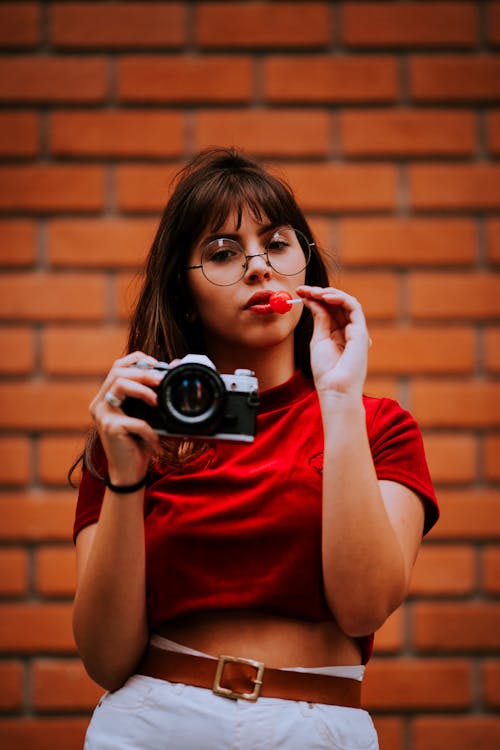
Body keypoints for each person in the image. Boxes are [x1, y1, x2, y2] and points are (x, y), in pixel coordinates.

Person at [71, 147, 439, 750]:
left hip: (316, 727)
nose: (259, 268)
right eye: (222, 253)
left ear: (306, 268)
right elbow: (105, 660)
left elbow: (364, 607)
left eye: (277, 244)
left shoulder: (378, 426)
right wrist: (126, 473)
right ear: (185, 296)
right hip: (152, 724)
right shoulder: (135, 430)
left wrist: (338, 396)